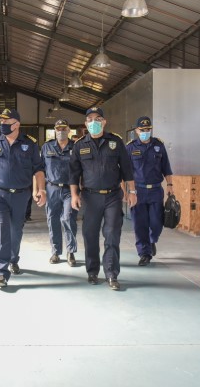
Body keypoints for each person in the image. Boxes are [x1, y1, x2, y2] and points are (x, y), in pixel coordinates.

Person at [70, 107, 137, 291]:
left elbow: (127, 169)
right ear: (86, 124)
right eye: (90, 119)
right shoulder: (79, 145)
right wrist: (74, 195)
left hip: (113, 196)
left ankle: (111, 273)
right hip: (90, 197)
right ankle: (92, 271)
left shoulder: (115, 141)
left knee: (112, 233)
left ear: (104, 121)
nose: (94, 122)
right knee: (90, 234)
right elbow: (74, 174)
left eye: (98, 118)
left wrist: (132, 191)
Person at [0, 108, 46, 288]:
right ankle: (1, 271)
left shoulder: (30, 144)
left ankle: (13, 259)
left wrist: (41, 189)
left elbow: (38, 169)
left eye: (6, 122)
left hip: (21, 195)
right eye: (1, 121)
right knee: (2, 229)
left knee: (16, 230)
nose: (2, 124)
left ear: (17, 124)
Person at [125, 116, 174, 266]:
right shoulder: (130, 147)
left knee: (156, 222)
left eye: (148, 129)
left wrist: (170, 185)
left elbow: (166, 168)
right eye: (142, 130)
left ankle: (152, 239)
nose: (145, 132)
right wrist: (127, 191)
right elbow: (125, 171)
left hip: (155, 191)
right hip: (137, 191)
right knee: (140, 224)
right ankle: (144, 253)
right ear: (136, 131)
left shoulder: (159, 145)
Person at [40, 119, 77, 266]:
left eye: (63, 128)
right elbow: (40, 170)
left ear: (68, 130)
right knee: (52, 219)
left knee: (68, 218)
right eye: (58, 128)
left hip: (70, 189)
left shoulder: (76, 147)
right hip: (52, 188)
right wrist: (39, 189)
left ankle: (70, 251)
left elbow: (81, 169)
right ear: (55, 130)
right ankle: (55, 252)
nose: (61, 131)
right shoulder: (46, 147)